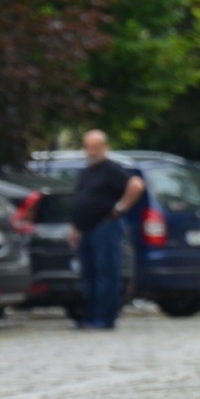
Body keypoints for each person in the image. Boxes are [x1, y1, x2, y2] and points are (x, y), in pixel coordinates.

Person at [67, 130, 144, 330]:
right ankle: (89, 316)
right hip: (85, 228)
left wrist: (120, 208)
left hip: (105, 226)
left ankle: (105, 318)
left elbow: (136, 185)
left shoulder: (111, 169)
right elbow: (79, 200)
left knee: (106, 274)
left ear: (104, 147)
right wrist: (75, 227)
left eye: (96, 147)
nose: (92, 152)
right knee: (88, 275)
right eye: (88, 147)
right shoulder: (86, 172)